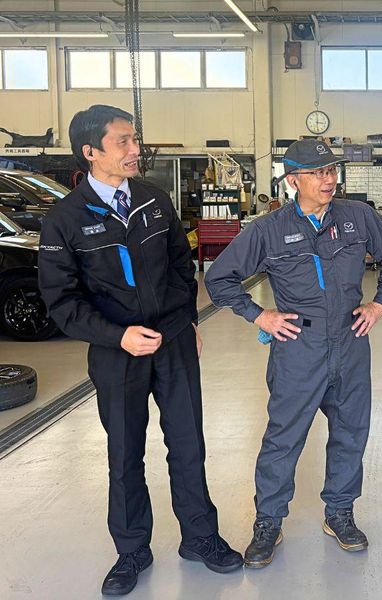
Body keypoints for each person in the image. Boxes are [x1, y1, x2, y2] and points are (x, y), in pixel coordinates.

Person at [37, 105, 242, 596]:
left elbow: (181, 265)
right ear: (91, 151)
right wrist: (118, 336)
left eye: (135, 139)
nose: (136, 150)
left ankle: (200, 536)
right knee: (125, 452)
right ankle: (132, 550)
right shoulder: (64, 219)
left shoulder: (153, 198)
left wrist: (188, 321)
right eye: (124, 142)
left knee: (188, 444)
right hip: (117, 353)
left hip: (172, 342)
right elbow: (61, 302)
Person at [205, 139, 382, 567]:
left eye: (331, 171)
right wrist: (260, 316)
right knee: (284, 437)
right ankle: (268, 521)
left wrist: (380, 303)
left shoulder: (357, 217)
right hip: (299, 347)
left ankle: (340, 512)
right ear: (293, 180)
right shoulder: (268, 229)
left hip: (350, 341)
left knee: (351, 431)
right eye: (318, 173)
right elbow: (220, 278)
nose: (328, 179)